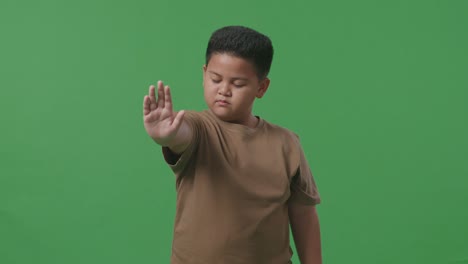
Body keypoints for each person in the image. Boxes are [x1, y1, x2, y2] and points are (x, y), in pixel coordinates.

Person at [143, 25, 322, 264]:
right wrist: (165, 137)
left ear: (261, 87)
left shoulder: (286, 143)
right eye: (215, 79)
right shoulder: (199, 127)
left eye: (237, 84)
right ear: (204, 73)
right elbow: (182, 136)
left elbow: (304, 214)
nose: (223, 90)